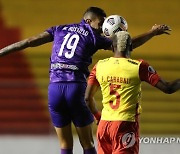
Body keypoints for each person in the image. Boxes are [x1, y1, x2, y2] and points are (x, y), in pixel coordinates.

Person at [0, 6, 171, 154]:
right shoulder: (93, 37)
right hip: (75, 87)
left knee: (65, 144)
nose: (103, 28)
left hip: (54, 89)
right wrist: (152, 32)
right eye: (101, 23)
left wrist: (2, 52)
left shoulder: (59, 29)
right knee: (87, 144)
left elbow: (30, 41)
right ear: (88, 21)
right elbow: (125, 45)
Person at [85, 31, 180, 154]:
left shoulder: (100, 66)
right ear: (131, 47)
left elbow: (87, 98)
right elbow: (168, 88)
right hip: (125, 124)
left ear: (113, 47)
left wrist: (97, 116)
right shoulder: (139, 67)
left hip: (104, 125)